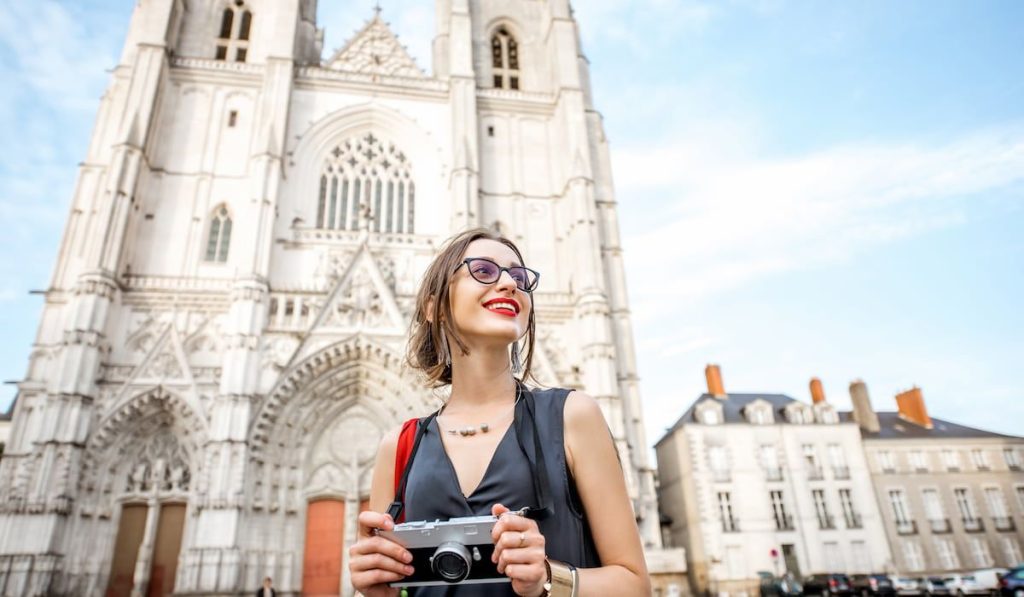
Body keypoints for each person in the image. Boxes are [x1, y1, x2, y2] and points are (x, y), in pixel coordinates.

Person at [348, 228, 650, 596]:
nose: (509, 283)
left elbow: (635, 585)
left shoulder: (572, 416)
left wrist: (547, 578)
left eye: (520, 277)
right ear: (434, 306)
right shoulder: (399, 446)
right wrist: (378, 589)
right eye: (484, 271)